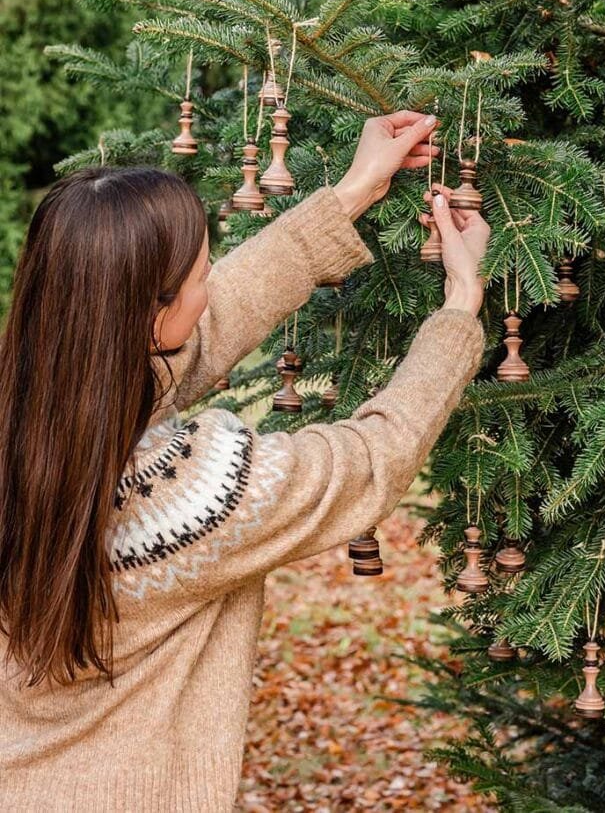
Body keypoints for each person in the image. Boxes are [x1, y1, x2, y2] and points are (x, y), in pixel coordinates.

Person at [0, 109, 489, 811]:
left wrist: (352, 192)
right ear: (145, 315)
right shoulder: (189, 495)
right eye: (200, 273)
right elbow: (368, 457)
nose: (209, 292)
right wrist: (461, 305)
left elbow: (210, 319)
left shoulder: (29, 411)